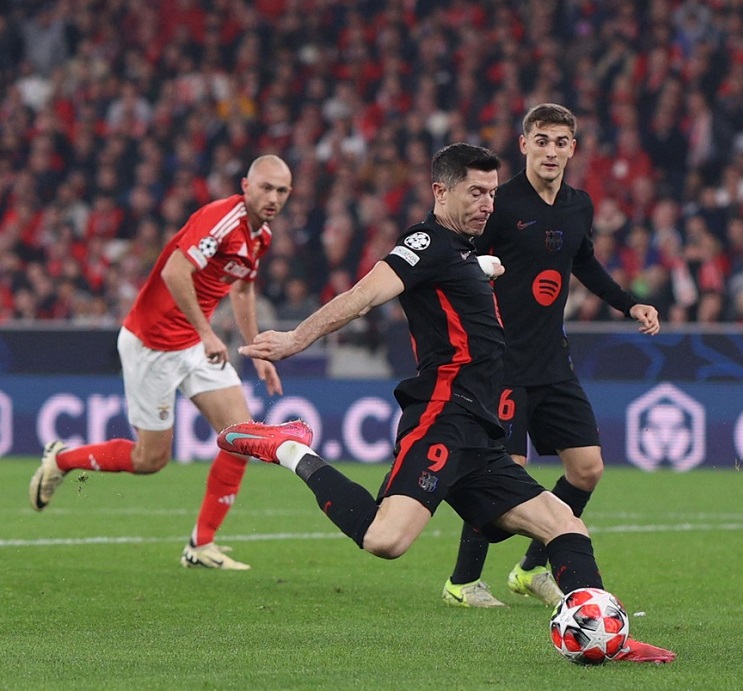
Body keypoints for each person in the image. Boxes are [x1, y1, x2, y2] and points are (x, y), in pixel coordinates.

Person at [216, 143, 673, 663]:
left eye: (492, 194)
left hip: (480, 429)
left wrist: (484, 269)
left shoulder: (462, 249)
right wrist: (297, 339)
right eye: (474, 193)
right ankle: (288, 448)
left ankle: (607, 637)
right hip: (442, 415)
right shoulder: (424, 243)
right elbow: (364, 294)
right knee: (385, 541)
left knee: (565, 523)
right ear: (440, 191)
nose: (486, 204)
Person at [442, 103, 661, 608]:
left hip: (552, 361)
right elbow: (455, 252)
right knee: (505, 477)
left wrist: (630, 304)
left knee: (587, 469)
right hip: (502, 364)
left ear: (573, 149)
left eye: (561, 142)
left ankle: (531, 569)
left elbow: (584, 261)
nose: (551, 151)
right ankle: (462, 582)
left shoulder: (578, 206)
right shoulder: (499, 204)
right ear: (523, 145)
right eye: (541, 140)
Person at [29, 155, 293, 571]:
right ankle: (61, 459)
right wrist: (208, 333)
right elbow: (175, 272)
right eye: (266, 187)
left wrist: (256, 349)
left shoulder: (261, 238)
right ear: (246, 186)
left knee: (242, 438)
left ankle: (200, 545)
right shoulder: (221, 219)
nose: (273, 197)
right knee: (150, 460)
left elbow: (242, 292)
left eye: (282, 191)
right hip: (152, 343)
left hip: (194, 341)